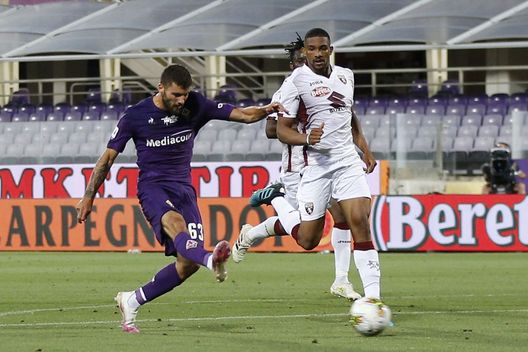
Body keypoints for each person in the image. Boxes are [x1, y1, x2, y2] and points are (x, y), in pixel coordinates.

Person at [76, 64, 284, 333]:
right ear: (160, 88)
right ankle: (211, 260)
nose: (181, 100)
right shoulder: (135, 116)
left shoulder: (196, 105)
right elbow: (107, 159)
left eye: (185, 95)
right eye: (176, 95)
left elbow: (242, 115)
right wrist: (88, 197)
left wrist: (266, 110)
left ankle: (132, 299)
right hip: (153, 188)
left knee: (187, 265)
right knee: (176, 225)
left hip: (184, 190)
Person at [246, 28, 381, 300]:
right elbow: (279, 130)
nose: (317, 53)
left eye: (323, 48)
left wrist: (364, 149)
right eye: (312, 49)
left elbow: (348, 115)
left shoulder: (346, 76)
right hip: (315, 168)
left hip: (346, 162)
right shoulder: (294, 82)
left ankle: (373, 299)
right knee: (308, 240)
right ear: (305, 52)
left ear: (330, 50)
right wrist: (307, 138)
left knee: (359, 221)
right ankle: (279, 199)